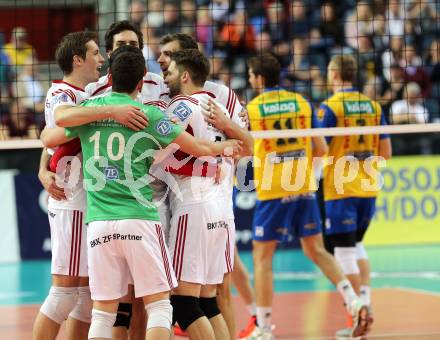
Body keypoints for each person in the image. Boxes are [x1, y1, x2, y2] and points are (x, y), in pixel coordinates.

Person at [41, 45, 242, 340]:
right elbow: (197, 147)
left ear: (109, 76)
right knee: (160, 306)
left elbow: (49, 135)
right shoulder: (148, 114)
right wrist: (224, 147)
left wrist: (98, 113)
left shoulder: (88, 112)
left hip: (98, 224)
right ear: (141, 84)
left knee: (102, 313)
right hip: (140, 219)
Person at [245, 53, 371, 339]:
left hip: (274, 189)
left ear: (259, 79)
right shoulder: (302, 103)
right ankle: (354, 299)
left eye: (252, 75)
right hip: (302, 185)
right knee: (316, 250)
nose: (251, 80)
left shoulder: (253, 108)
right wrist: (306, 176)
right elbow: (322, 149)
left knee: (262, 258)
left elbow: (244, 148)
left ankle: (263, 328)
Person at [157, 32, 252, 340]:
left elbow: (157, 153)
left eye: (170, 71)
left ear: (185, 75)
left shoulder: (181, 106)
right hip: (219, 207)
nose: (166, 75)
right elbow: (243, 145)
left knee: (183, 303)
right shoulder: (217, 105)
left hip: (193, 206)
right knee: (208, 301)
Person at [32, 31, 105, 340]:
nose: (101, 59)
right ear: (78, 59)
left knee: (86, 298)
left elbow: (50, 143)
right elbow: (58, 132)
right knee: (64, 295)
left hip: (86, 199)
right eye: (95, 53)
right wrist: (108, 112)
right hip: (71, 198)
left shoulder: (84, 94)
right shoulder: (62, 94)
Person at [319, 54, 392, 338]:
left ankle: (357, 314)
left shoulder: (331, 106)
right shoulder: (373, 106)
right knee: (358, 246)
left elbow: (321, 147)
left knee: (344, 251)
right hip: (369, 186)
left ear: (335, 74)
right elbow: (385, 153)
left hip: (341, 187)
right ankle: (367, 307)